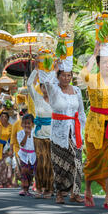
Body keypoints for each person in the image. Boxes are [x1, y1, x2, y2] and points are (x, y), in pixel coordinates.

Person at [39, 60, 87, 205]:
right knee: (60, 165)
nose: (66, 78)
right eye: (63, 75)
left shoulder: (77, 91)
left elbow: (81, 112)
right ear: (58, 76)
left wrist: (82, 132)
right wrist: (54, 69)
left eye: (69, 75)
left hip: (74, 131)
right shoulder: (54, 91)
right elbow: (47, 82)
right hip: (59, 133)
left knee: (77, 162)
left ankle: (75, 193)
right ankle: (60, 193)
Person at [81, 41, 108, 209]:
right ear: (98, 64)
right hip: (95, 126)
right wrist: (94, 52)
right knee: (92, 161)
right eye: (104, 61)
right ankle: (88, 190)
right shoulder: (93, 80)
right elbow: (82, 75)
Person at [27, 68, 54, 199]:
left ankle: (49, 189)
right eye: (43, 87)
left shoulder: (56, 100)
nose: (46, 89)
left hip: (52, 136)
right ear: (41, 88)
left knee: (49, 163)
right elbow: (28, 84)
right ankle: (39, 187)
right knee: (40, 163)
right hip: (38, 135)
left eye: (48, 87)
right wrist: (36, 70)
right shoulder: (37, 98)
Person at [0, 108, 14, 188]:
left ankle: (7, 182)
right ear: (0, 118)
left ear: (8, 118)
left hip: (7, 148)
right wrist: (2, 109)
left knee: (7, 166)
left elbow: (12, 139)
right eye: (2, 116)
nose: (4, 118)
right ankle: (1, 182)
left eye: (5, 117)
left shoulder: (11, 126)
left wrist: (11, 150)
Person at [17, 113, 36, 196]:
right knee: (24, 171)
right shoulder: (20, 133)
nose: (26, 125)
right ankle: (24, 188)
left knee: (30, 172)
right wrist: (26, 135)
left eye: (28, 123)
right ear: (21, 124)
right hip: (23, 155)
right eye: (24, 123)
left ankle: (28, 188)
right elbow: (22, 144)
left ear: (32, 124)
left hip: (33, 155)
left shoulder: (35, 132)